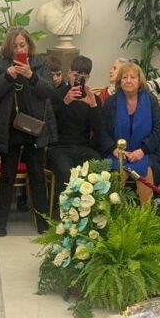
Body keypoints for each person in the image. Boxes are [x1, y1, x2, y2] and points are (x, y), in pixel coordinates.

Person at [0, 27, 56, 235]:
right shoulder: (2, 66)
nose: (19, 50)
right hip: (9, 128)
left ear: (29, 45)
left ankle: (43, 224)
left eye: (22, 45)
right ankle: (1, 224)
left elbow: (49, 91)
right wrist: (8, 76)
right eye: (14, 46)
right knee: (7, 176)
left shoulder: (40, 64)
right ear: (8, 48)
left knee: (37, 175)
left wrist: (31, 76)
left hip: (34, 127)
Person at [100, 61, 160, 206]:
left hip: (146, 152)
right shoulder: (110, 102)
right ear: (119, 81)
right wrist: (114, 150)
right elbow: (102, 131)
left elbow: (158, 131)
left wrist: (142, 151)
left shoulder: (151, 101)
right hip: (117, 153)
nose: (128, 80)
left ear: (140, 81)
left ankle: (145, 214)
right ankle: (114, 214)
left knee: (145, 171)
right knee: (118, 172)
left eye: (133, 77)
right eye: (124, 77)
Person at [47, 55, 102, 209]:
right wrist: (65, 103)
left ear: (88, 78)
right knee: (66, 173)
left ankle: (91, 210)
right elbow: (51, 126)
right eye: (75, 75)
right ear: (69, 73)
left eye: (82, 77)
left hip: (83, 147)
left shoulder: (93, 98)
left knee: (98, 166)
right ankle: (64, 211)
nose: (77, 80)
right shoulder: (57, 95)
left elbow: (99, 129)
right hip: (59, 147)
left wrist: (93, 107)